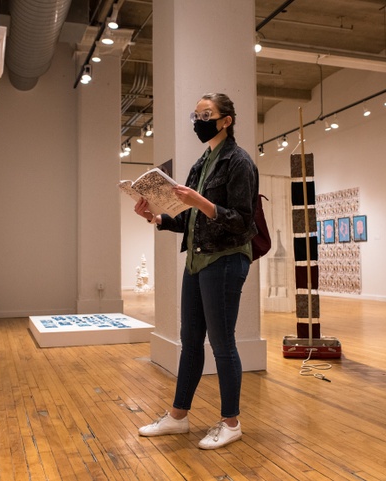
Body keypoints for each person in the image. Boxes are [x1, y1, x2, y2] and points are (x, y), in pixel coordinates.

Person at [133, 93, 258, 450]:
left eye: (207, 114)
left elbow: (242, 221)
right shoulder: (202, 162)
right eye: (196, 114)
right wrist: (156, 217)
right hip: (198, 260)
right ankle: (177, 416)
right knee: (190, 343)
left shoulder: (239, 162)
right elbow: (189, 218)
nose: (199, 120)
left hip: (226, 259)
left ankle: (230, 422)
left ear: (226, 120)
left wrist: (200, 202)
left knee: (222, 344)